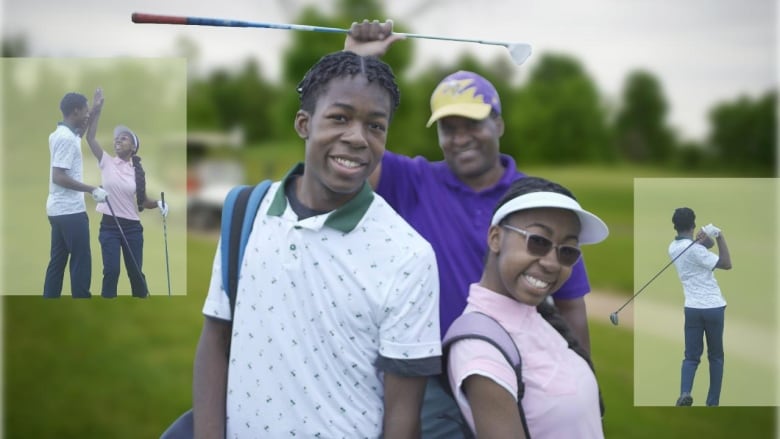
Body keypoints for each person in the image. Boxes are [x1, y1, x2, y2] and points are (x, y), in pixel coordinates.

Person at [345, 20, 597, 436]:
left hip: (520, 372)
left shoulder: (535, 202)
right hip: (433, 380)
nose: (461, 138)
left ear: (498, 124)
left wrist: (582, 379)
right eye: (449, 127)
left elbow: (570, 304)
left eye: (473, 123)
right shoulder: (411, 180)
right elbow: (346, 147)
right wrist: (357, 65)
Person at [192, 51, 441, 437]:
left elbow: (403, 416)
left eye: (375, 126)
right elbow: (215, 339)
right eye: (339, 118)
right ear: (304, 123)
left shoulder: (409, 254)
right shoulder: (244, 210)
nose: (357, 138)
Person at [446, 176, 608, 438]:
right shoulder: (482, 350)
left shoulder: (540, 316)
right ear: (495, 237)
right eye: (539, 241)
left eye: (567, 251)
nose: (552, 263)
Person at [85, 88, 168, 298]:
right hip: (109, 226)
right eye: (117, 139)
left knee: (135, 273)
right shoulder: (106, 162)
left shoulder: (137, 171)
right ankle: (107, 305)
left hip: (132, 228)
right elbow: (91, 138)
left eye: (124, 138)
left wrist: (158, 204)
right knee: (111, 271)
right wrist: (97, 110)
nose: (118, 140)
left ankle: (142, 300)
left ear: (133, 147)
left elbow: (143, 201)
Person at [43, 92, 108, 298]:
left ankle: (50, 299)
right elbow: (58, 176)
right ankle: (82, 298)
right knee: (81, 260)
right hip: (70, 211)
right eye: (86, 109)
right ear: (76, 110)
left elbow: (81, 131)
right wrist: (92, 189)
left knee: (58, 261)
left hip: (57, 210)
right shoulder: (66, 139)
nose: (88, 113)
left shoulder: (62, 134)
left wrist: (97, 108)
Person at [669, 207, 731, 407]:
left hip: (692, 309)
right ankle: (712, 403)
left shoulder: (673, 247)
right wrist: (719, 235)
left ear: (675, 226)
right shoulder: (695, 249)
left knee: (691, 356)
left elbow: (705, 247)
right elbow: (726, 263)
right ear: (693, 224)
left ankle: (684, 393)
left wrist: (703, 238)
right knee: (716, 357)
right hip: (713, 307)